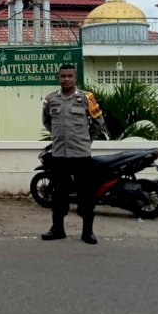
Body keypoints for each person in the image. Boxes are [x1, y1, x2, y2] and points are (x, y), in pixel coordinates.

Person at [41, 63, 105, 244]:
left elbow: (98, 122)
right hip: (60, 154)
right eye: (63, 76)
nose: (66, 79)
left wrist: (85, 139)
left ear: (75, 78)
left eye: (70, 76)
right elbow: (47, 121)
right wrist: (58, 136)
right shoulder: (50, 99)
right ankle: (57, 229)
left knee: (86, 193)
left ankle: (87, 232)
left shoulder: (86, 98)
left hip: (81, 155)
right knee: (59, 192)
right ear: (58, 78)